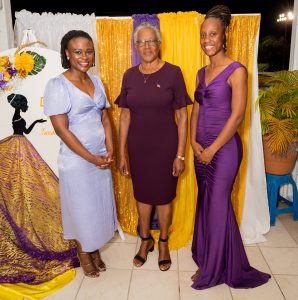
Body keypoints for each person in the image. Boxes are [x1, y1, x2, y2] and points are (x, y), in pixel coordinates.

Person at [190, 5, 271, 289]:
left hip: (224, 151)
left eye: (212, 34)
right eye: (203, 35)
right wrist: (193, 141)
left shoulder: (237, 70)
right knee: (208, 204)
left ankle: (211, 272)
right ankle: (210, 258)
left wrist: (212, 149)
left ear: (224, 36)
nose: (207, 39)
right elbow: (196, 112)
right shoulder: (201, 73)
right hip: (201, 148)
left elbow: (237, 116)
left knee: (216, 206)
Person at [115, 22, 192, 271]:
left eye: (151, 41)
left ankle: (164, 242)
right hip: (138, 149)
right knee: (143, 196)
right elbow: (124, 116)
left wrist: (180, 154)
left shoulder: (173, 72)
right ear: (135, 46)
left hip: (166, 148)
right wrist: (121, 153)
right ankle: (146, 240)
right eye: (141, 42)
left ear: (159, 44)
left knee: (165, 197)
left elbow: (182, 117)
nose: (146, 46)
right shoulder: (129, 75)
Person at [43, 30, 118, 278]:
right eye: (78, 51)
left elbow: (105, 118)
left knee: (97, 206)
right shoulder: (57, 84)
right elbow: (62, 131)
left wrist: (110, 148)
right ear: (67, 53)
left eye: (88, 51)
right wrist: (92, 158)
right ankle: (84, 253)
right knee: (81, 208)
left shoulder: (96, 82)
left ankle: (93, 247)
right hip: (77, 161)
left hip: (100, 157)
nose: (84, 56)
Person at [0, 93, 78, 284]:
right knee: (22, 178)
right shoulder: (16, 116)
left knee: (30, 179)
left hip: (21, 144)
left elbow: (25, 129)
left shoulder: (18, 116)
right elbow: (21, 130)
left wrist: (36, 121)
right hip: (18, 147)